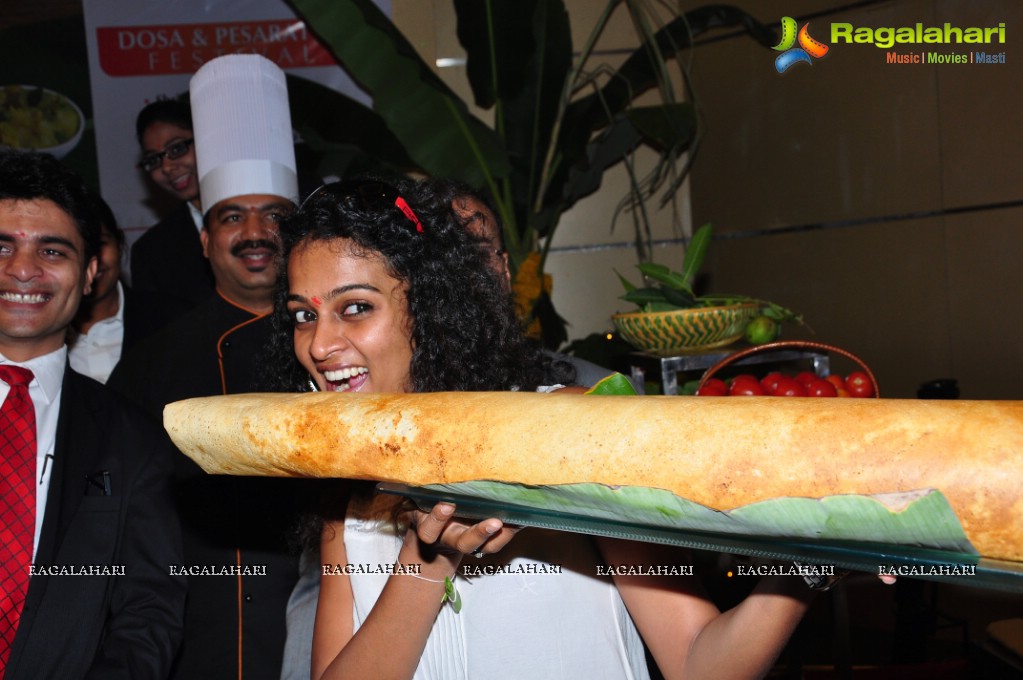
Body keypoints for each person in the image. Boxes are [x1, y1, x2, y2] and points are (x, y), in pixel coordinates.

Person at [267, 177, 815, 680]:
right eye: (303, 315)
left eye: (355, 307)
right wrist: (426, 557)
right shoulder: (349, 498)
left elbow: (702, 663)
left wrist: (811, 564)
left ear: (429, 307)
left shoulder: (572, 430)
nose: (318, 345)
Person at [108, 54, 310, 680]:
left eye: (275, 214)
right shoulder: (150, 363)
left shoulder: (342, 351)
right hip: (194, 627)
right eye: (232, 216)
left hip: (325, 613)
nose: (255, 231)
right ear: (204, 238)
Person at [0, 149, 185, 678]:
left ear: (91, 273)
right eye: (3, 246)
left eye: (52, 251)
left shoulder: (133, 441)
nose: (23, 269)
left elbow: (149, 611)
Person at [130, 95, 215, 331]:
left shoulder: (269, 212)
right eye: (154, 160)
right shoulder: (151, 254)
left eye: (176, 149)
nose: (167, 168)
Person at [67, 191, 143, 383]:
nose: (92, 262)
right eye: (79, 248)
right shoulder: (34, 334)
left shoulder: (172, 320)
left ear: (119, 245)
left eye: (99, 245)